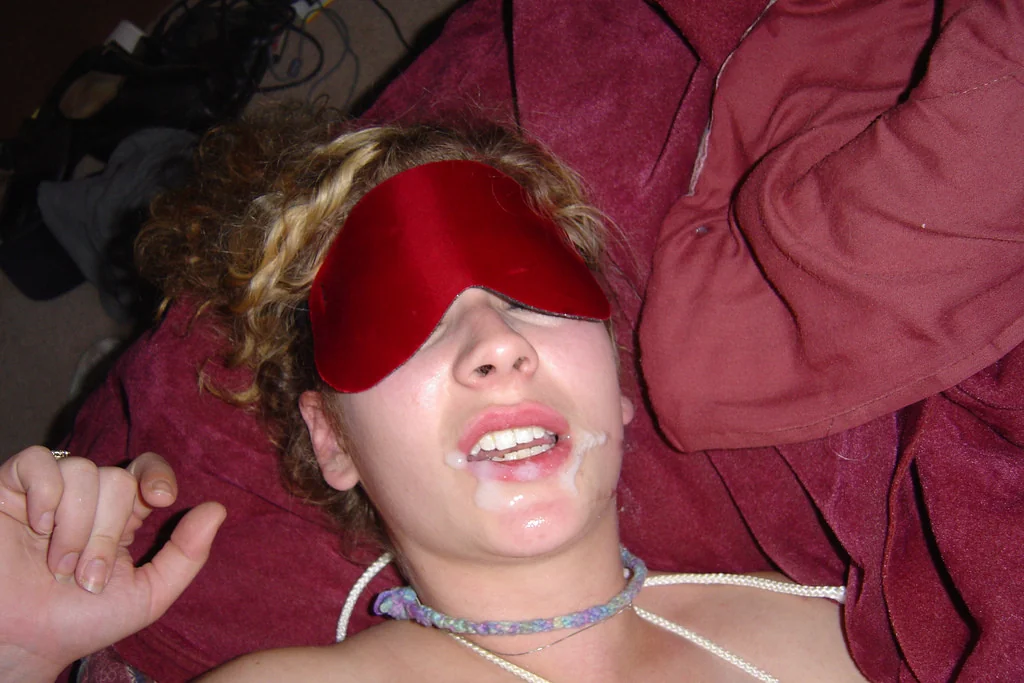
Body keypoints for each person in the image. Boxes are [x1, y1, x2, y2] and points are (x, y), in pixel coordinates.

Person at [1, 112, 868, 682]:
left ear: (616, 386)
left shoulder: (835, 622)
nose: (496, 345)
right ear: (332, 439)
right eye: (402, 319)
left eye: (531, 292)